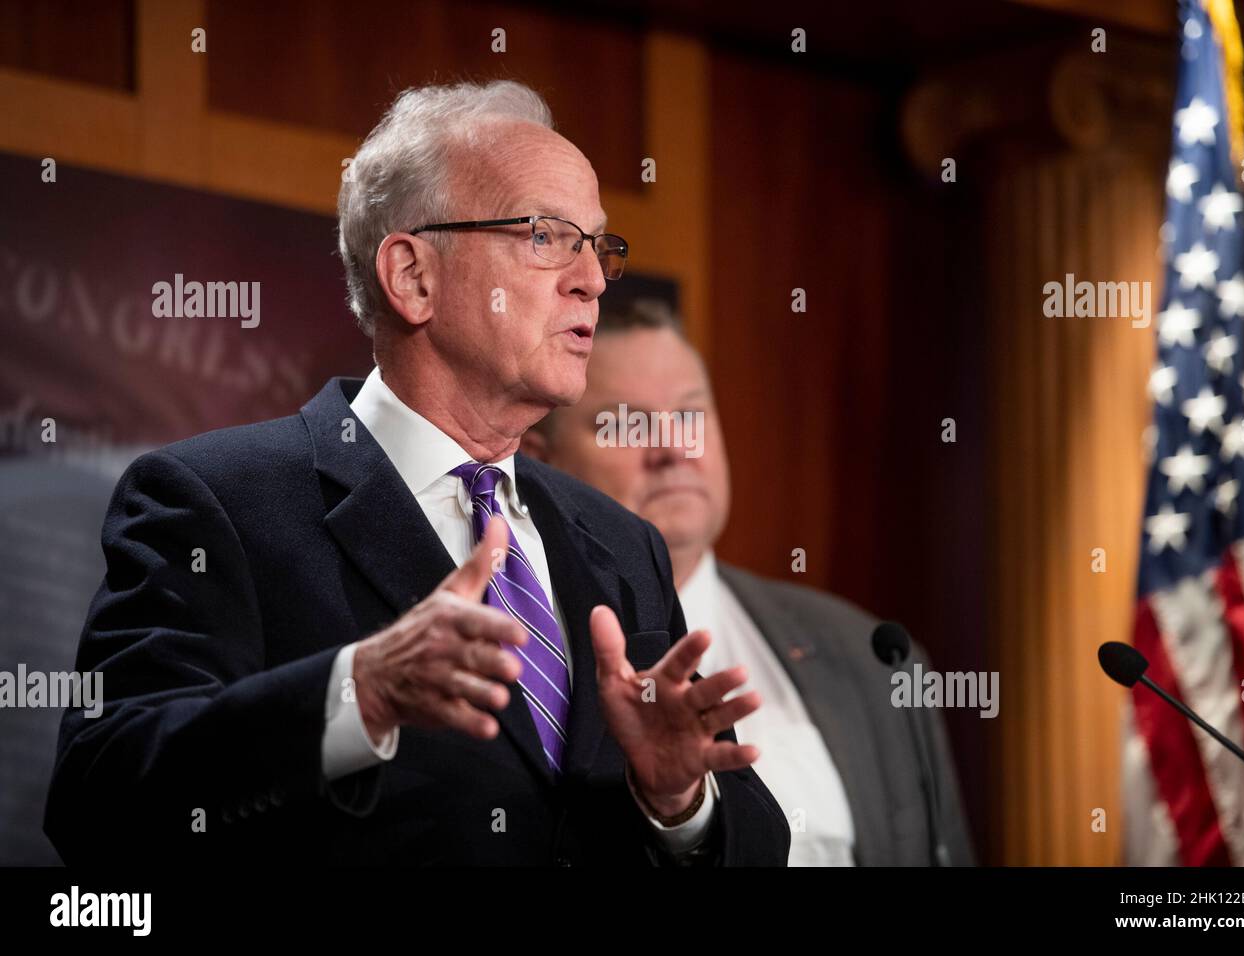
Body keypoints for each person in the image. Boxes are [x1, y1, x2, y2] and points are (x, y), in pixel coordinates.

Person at [44, 82, 789, 866]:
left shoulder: (620, 541)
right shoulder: (216, 501)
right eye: (545, 236)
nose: (593, 281)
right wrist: (356, 693)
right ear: (413, 276)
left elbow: (754, 843)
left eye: (597, 246)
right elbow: (101, 796)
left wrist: (677, 803)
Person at [523, 299, 974, 865]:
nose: (672, 451)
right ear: (542, 462)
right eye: (626, 424)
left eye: (690, 416)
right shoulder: (529, 665)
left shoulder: (871, 654)